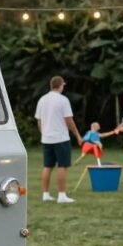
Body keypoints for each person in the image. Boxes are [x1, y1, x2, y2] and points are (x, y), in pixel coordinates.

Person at [34, 76, 83, 204]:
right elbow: (69, 120)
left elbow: (39, 121)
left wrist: (44, 133)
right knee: (62, 166)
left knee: (47, 166)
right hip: (61, 138)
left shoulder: (42, 100)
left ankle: (45, 194)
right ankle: (61, 195)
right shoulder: (63, 100)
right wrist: (77, 135)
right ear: (61, 85)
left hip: (47, 139)